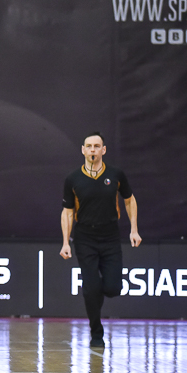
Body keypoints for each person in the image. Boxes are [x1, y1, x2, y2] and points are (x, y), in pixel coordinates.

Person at [60, 133, 141, 348]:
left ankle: (101, 292)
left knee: (113, 288)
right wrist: (66, 242)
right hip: (85, 237)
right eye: (89, 146)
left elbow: (129, 200)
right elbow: (67, 211)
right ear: (83, 150)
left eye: (97, 146)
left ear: (103, 150)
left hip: (110, 236)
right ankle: (96, 333)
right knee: (91, 288)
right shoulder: (73, 179)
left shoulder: (115, 174)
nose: (93, 150)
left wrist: (134, 230)